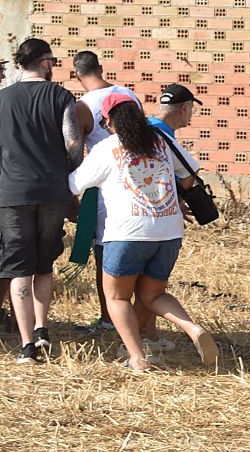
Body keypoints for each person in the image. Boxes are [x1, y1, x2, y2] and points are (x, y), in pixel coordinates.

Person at [67, 92, 216, 373]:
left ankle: (137, 357)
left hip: (126, 232)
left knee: (118, 297)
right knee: (154, 295)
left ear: (109, 121)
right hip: (169, 230)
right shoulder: (161, 141)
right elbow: (189, 173)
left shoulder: (108, 146)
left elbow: (76, 184)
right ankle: (192, 328)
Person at [0, 38, 88, 363]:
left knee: (17, 267)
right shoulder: (61, 95)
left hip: (11, 192)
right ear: (45, 63)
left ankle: (26, 347)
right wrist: (71, 177)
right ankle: (41, 329)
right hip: (52, 190)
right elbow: (73, 143)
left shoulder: (2, 99)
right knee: (44, 263)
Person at [72, 50, 141, 332]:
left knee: (105, 253)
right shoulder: (128, 94)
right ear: (100, 68)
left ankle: (108, 317)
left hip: (104, 185)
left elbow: (74, 149)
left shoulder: (83, 106)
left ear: (76, 75)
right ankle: (135, 313)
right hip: (138, 179)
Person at [141, 83, 206, 345]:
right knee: (148, 287)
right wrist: (178, 198)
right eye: (191, 110)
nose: (191, 116)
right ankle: (141, 339)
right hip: (158, 222)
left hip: (131, 218)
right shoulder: (162, 135)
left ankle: (149, 335)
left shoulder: (145, 128)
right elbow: (189, 173)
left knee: (143, 285)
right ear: (183, 108)